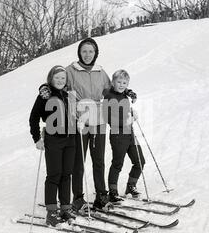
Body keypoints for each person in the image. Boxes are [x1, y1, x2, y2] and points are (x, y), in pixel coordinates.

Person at [38, 38, 137, 212]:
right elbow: (57, 82)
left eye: (91, 51)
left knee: (98, 160)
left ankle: (101, 196)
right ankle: (77, 198)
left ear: (95, 53)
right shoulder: (70, 70)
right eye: (84, 51)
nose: (87, 54)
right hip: (79, 121)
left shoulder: (100, 72)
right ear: (79, 52)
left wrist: (126, 91)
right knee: (79, 162)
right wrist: (44, 87)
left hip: (98, 120)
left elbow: (111, 89)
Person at [29, 65, 76, 226]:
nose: (60, 80)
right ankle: (51, 212)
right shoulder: (45, 95)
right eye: (57, 78)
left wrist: (80, 122)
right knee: (54, 174)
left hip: (70, 139)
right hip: (53, 139)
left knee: (66, 174)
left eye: (63, 78)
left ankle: (65, 208)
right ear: (51, 78)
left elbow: (72, 114)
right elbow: (34, 117)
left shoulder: (68, 94)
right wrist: (37, 139)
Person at [103, 70, 145, 202]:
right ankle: (113, 192)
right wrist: (126, 121)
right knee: (117, 163)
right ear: (113, 82)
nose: (121, 85)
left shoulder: (125, 95)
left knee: (140, 161)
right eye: (119, 82)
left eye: (124, 83)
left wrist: (131, 113)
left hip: (130, 133)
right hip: (117, 135)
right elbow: (107, 117)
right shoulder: (108, 96)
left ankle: (131, 186)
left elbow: (125, 109)